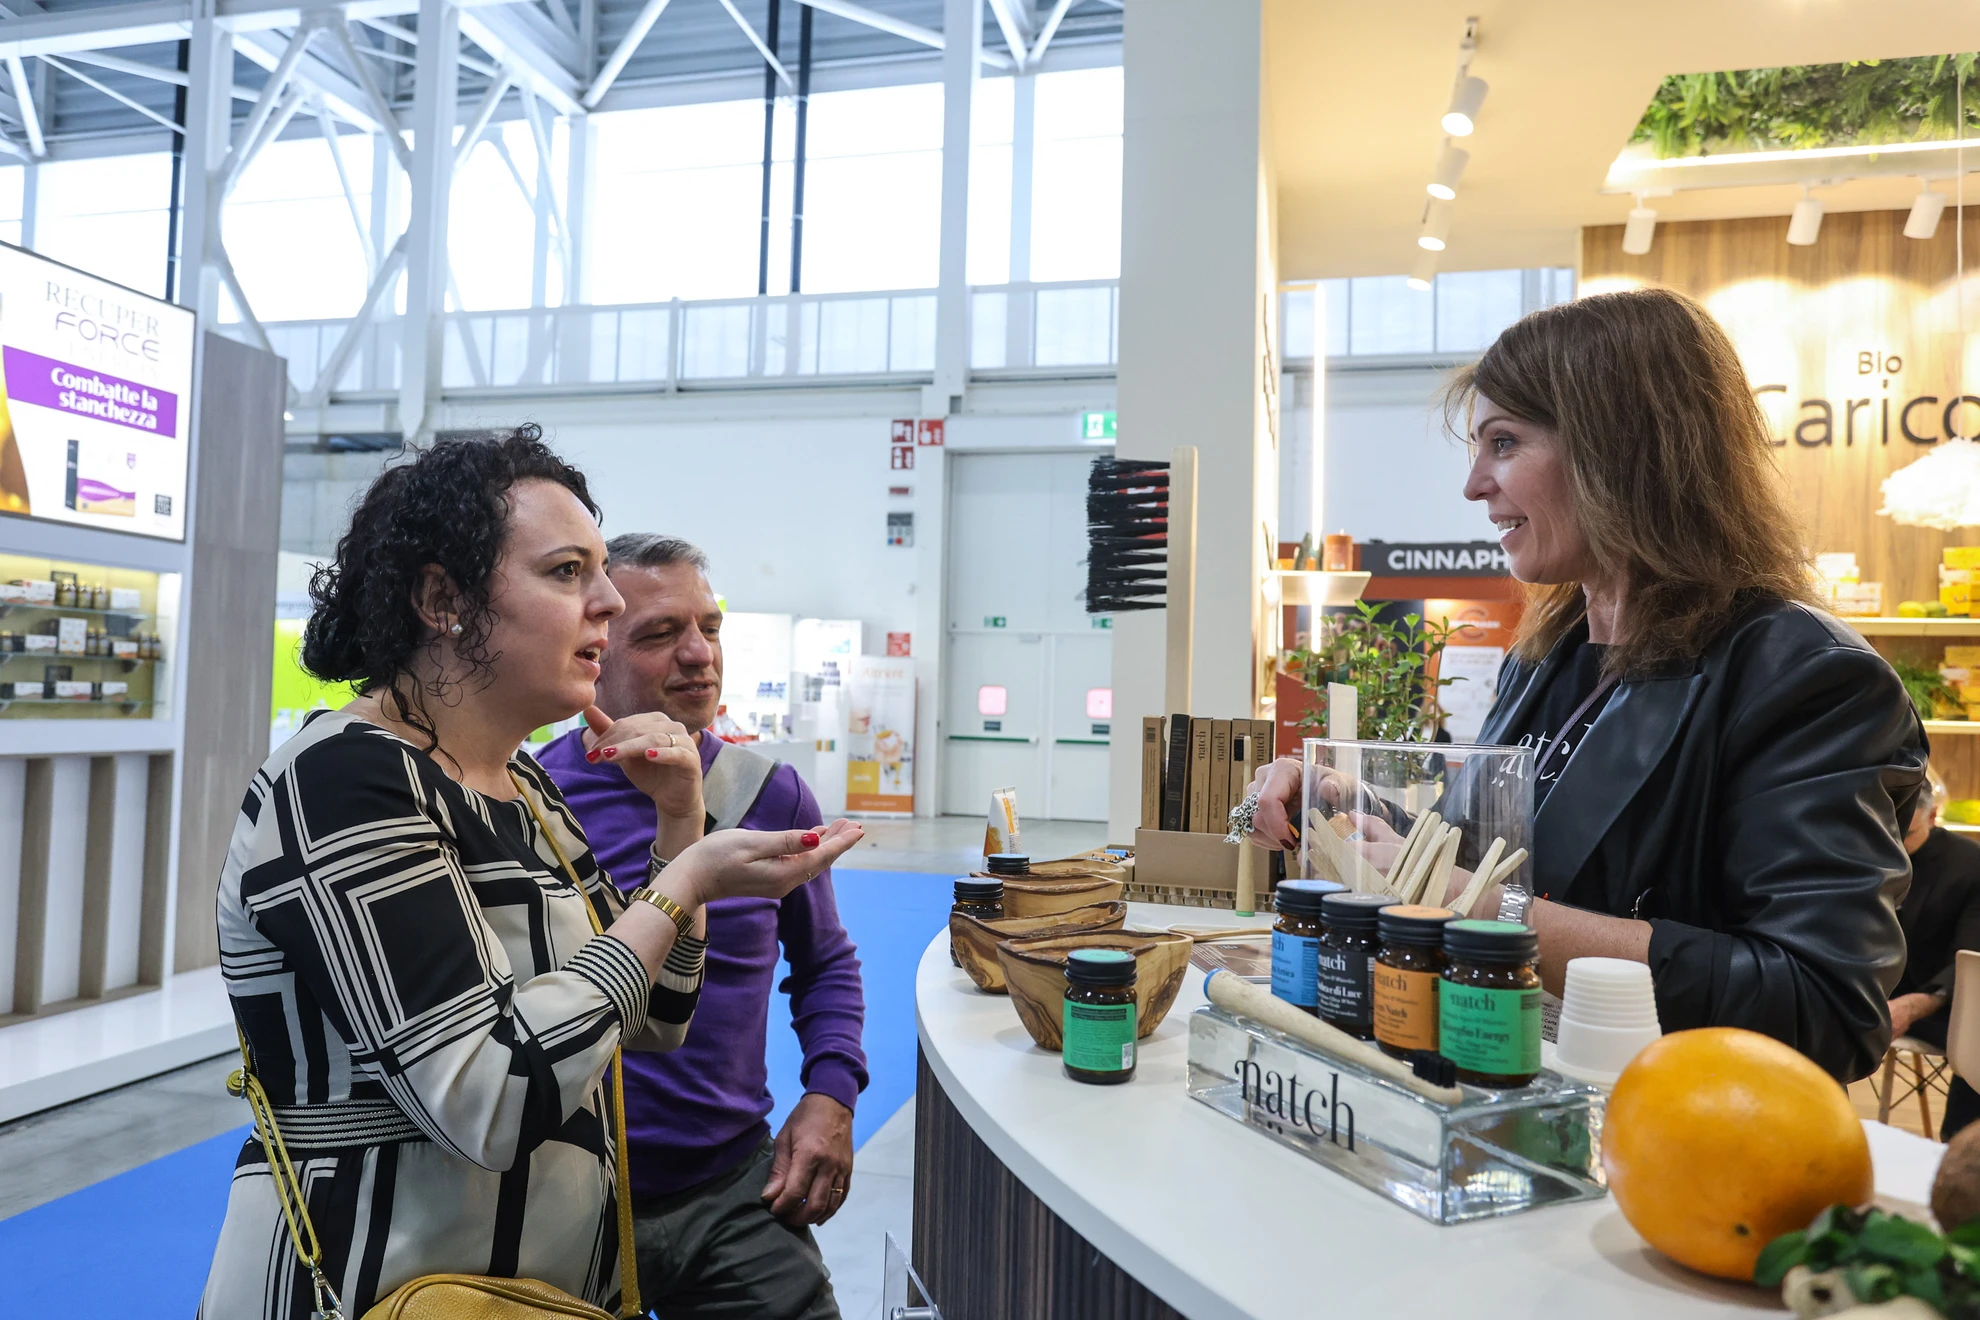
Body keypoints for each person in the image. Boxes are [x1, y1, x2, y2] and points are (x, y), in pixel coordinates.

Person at [198, 429, 864, 1319]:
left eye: (602, 573)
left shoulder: (525, 786)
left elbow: (657, 1018)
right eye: (566, 572)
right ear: (443, 599)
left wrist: (680, 827)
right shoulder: (346, 779)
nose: (608, 600)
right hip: (380, 1283)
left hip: (527, 1288)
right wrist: (686, 883)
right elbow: (493, 1097)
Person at [1247, 287, 1926, 1083]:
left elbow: (1822, 1005)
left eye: (1504, 443)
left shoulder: (1806, 678)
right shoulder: (1547, 657)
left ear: (1618, 450)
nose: (1474, 484)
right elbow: (1500, 860)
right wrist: (1339, 800)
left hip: (1674, 1122)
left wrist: (1479, 906)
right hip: (1512, 1088)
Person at [539, 533, 864, 1320]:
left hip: (733, 1189)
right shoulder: (534, 801)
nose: (699, 655)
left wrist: (831, 1093)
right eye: (660, 633)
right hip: (568, 1194)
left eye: (709, 629)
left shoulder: (770, 794)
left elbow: (824, 962)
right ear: (594, 648)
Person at [1890, 771, 1980, 1140]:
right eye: (1889, 833)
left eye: (1906, 834)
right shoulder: (1869, 855)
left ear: (1932, 815)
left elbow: (1969, 957)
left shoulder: (1970, 865)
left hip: (1949, 1006)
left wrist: (1911, 1006)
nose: (1895, 845)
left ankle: (1959, 1146)